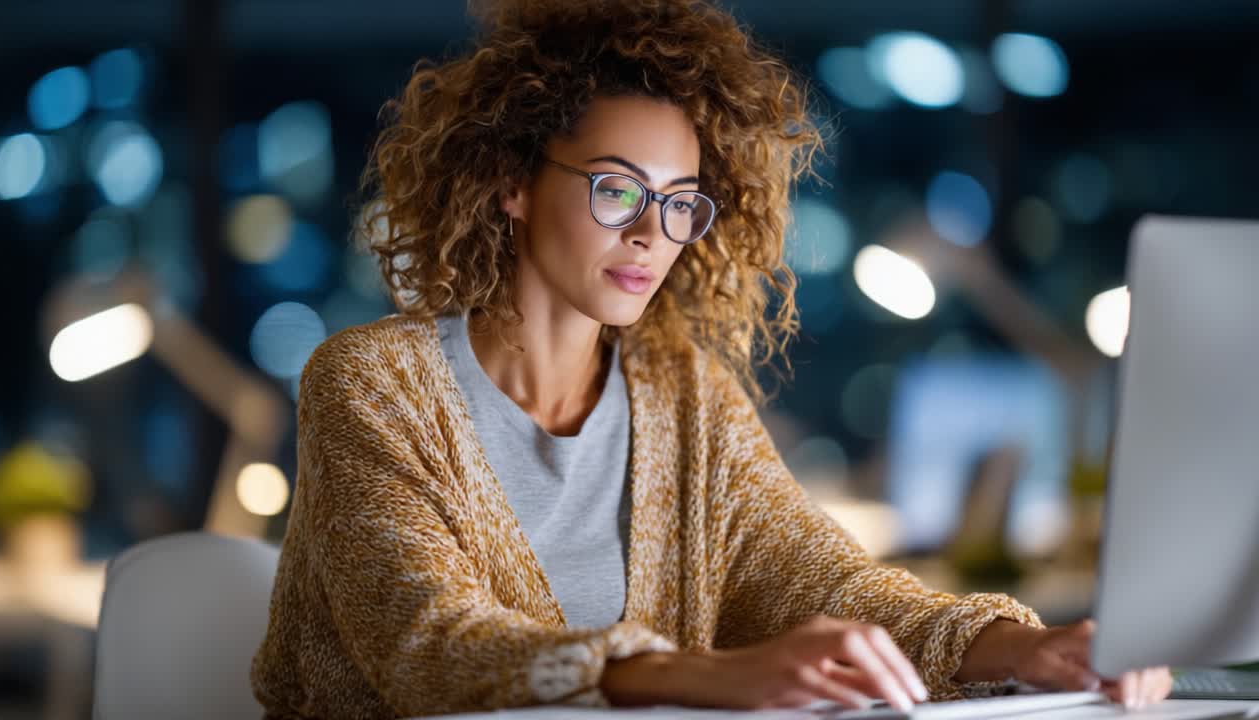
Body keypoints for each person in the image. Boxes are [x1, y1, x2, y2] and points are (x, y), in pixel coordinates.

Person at [250, 1, 1171, 717]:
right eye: (618, 190)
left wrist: (1019, 647)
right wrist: (703, 676)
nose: (655, 234)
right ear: (509, 184)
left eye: (683, 202)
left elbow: (827, 581)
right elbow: (430, 647)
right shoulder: (371, 382)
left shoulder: (681, 389)